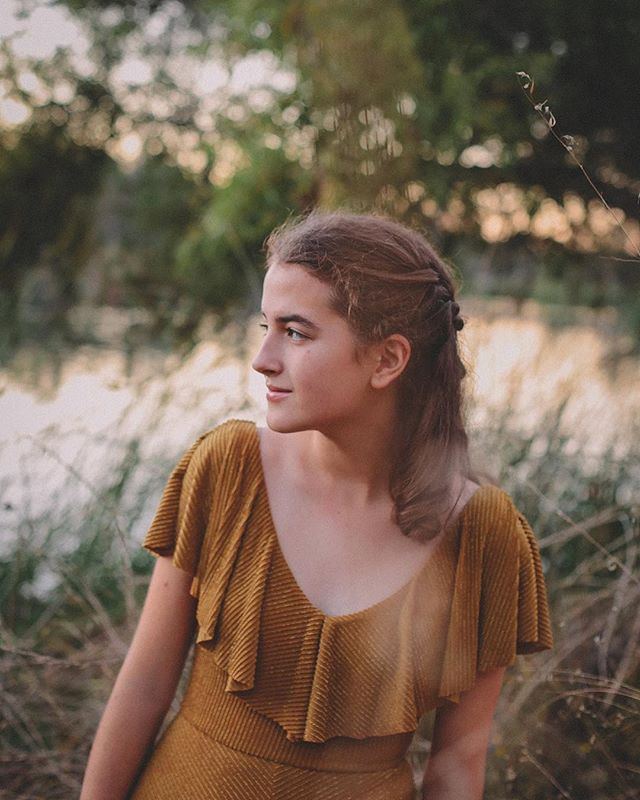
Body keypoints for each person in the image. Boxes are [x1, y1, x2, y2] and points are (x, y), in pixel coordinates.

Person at [80, 211, 553, 800]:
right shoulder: (226, 467)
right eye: (266, 327)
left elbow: (457, 763)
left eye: (296, 333)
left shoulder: (483, 532)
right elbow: (145, 687)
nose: (263, 359)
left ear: (386, 360)